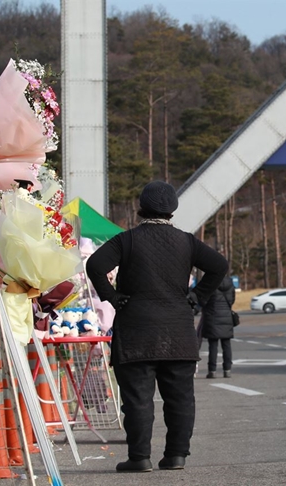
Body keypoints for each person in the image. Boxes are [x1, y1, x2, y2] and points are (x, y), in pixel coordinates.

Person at [86, 181, 229, 473]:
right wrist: (197, 297)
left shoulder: (126, 240)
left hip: (136, 329)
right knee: (180, 397)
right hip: (178, 330)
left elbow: (95, 266)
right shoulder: (187, 242)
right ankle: (176, 456)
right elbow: (219, 266)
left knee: (137, 399)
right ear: (172, 210)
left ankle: (139, 458)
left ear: (141, 208)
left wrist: (113, 298)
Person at [200, 275, 236, 378]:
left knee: (213, 346)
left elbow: (204, 300)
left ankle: (212, 371)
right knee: (227, 345)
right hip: (226, 317)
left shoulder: (211, 283)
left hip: (212, 317)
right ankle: (227, 370)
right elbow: (232, 300)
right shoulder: (230, 283)